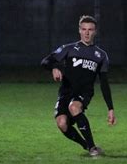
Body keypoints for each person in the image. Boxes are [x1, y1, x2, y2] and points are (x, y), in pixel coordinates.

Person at [41, 15, 116, 156]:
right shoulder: (69, 49)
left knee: (74, 107)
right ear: (79, 31)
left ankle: (93, 148)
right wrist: (54, 67)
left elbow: (104, 83)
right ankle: (86, 146)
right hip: (66, 91)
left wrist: (110, 108)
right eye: (84, 29)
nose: (87, 32)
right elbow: (45, 61)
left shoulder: (101, 55)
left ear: (95, 32)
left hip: (84, 92)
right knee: (62, 123)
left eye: (90, 30)